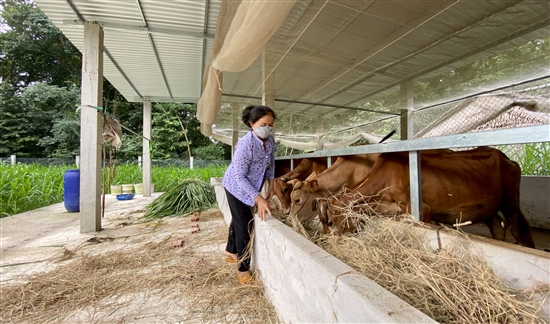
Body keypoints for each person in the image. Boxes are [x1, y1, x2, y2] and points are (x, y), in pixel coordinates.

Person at [222, 105, 276, 284]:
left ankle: (230, 251)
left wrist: (272, 185)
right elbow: (239, 176)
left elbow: (271, 164)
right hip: (235, 186)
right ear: (252, 124)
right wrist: (259, 198)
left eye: (270, 124)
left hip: (252, 186)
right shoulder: (246, 144)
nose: (267, 128)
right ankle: (242, 269)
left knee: (238, 219)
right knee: (245, 225)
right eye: (263, 124)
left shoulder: (270, 141)